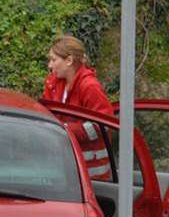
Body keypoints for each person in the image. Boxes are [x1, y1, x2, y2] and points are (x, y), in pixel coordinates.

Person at [42, 35, 115, 180]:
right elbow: (45, 115)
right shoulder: (53, 83)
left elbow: (103, 125)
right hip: (66, 167)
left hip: (92, 174)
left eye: (53, 60)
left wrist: (65, 129)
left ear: (69, 61)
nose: (50, 65)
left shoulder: (89, 86)